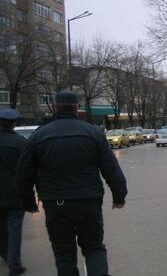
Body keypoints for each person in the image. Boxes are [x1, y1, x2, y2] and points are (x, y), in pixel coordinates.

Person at [16, 91, 128, 276]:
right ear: (77, 108)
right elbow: (111, 168)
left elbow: (23, 174)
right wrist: (119, 196)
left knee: (64, 254)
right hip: (88, 201)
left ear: (56, 108)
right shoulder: (93, 132)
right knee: (93, 248)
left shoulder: (38, 136)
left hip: (55, 203)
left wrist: (29, 203)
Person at [0, 109, 28, 276]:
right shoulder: (20, 143)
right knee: (14, 228)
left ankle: (5, 253)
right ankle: (14, 264)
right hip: (14, 194)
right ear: (15, 124)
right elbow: (27, 170)